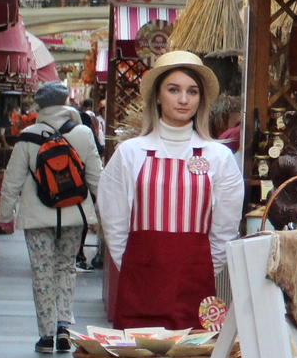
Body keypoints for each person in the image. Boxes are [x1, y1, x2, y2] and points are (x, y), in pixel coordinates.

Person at [97, 50, 243, 329]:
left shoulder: (218, 156)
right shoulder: (131, 152)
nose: (184, 99)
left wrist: (200, 269)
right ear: (157, 96)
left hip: (196, 283)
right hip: (140, 282)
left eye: (192, 91)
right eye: (174, 90)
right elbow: (113, 220)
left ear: (202, 99)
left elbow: (226, 226)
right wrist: (134, 266)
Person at [0, 82, 104, 354]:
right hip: (75, 215)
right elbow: (96, 177)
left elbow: (11, 180)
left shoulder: (27, 136)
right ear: (66, 101)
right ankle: (64, 328)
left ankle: (46, 335)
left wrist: (6, 215)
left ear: (40, 106)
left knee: (42, 273)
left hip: (37, 218)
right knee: (66, 269)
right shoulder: (83, 133)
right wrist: (102, 214)